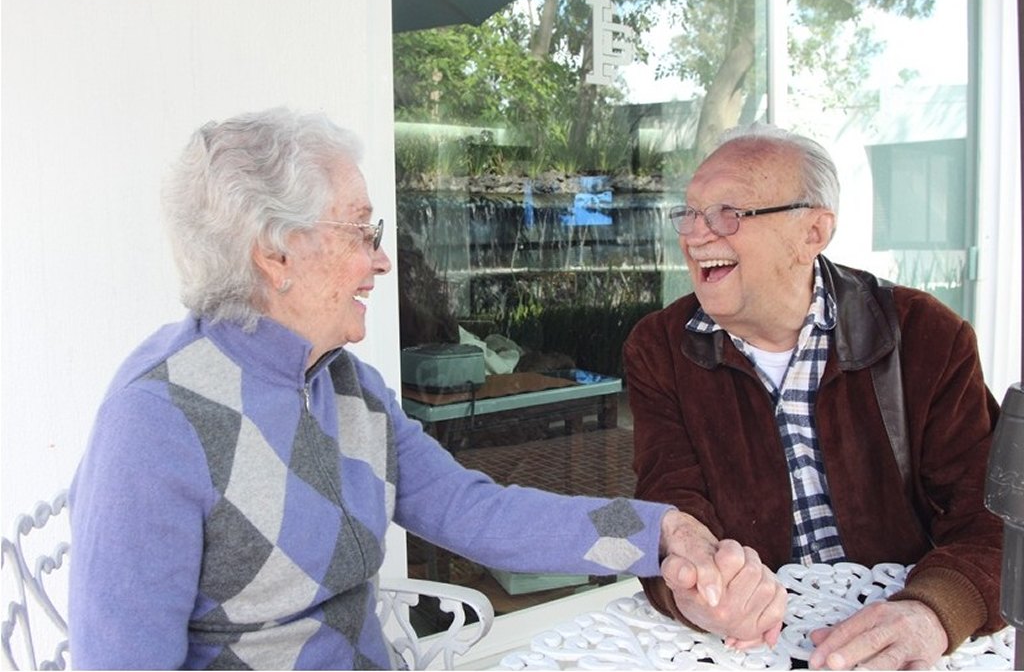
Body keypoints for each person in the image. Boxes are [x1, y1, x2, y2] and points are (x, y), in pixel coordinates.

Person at [67, 108, 786, 670]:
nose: (382, 260)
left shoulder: (344, 385)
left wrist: (658, 531)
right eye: (361, 230)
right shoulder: (158, 420)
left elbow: (479, 513)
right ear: (275, 252)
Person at [625, 122, 1004, 669]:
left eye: (728, 213)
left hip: (902, 627)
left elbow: (992, 517)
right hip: (747, 646)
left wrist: (934, 611)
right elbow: (663, 506)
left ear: (813, 232)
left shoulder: (925, 335)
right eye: (690, 213)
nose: (696, 236)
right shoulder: (659, 348)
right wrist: (691, 586)